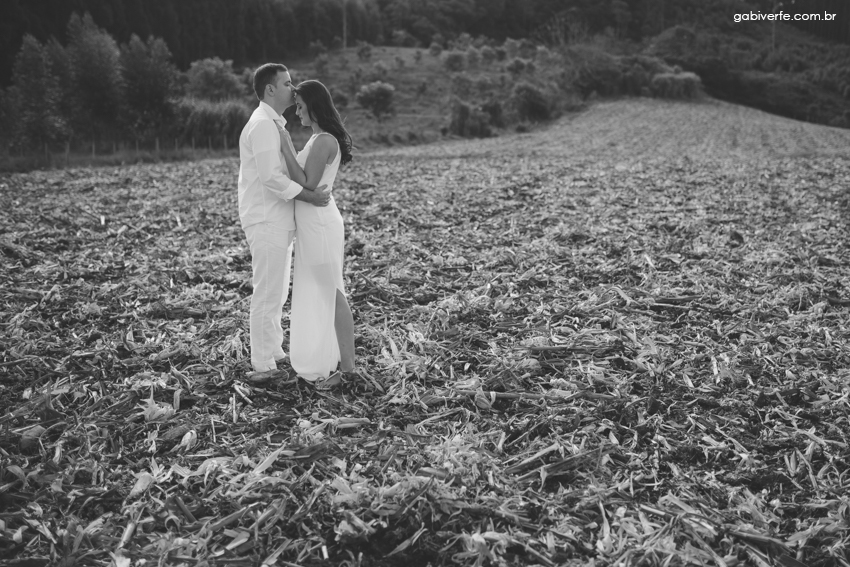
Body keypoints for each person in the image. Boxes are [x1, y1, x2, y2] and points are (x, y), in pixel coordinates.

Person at [238, 64, 330, 374]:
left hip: (276, 219)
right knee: (267, 291)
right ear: (270, 90)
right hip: (266, 219)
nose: (293, 88)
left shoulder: (272, 122)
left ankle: (274, 350)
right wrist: (310, 197)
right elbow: (271, 178)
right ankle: (262, 362)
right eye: (287, 83)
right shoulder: (263, 124)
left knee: (277, 291)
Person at [277, 80, 356, 388]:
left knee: (333, 291)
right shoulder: (319, 139)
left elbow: (308, 184)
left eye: (299, 106)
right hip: (314, 223)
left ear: (313, 104)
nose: (296, 112)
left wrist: (285, 146)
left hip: (321, 224)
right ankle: (334, 360)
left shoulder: (323, 140)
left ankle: (348, 369)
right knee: (324, 290)